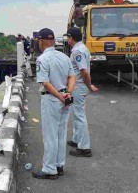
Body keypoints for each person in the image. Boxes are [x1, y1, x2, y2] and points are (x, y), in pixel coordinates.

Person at [32, 28, 76, 180]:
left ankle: (49, 169)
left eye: (38, 41)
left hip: (52, 99)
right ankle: (59, 165)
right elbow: (72, 77)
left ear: (42, 41)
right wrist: (68, 93)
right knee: (61, 133)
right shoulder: (64, 57)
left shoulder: (42, 59)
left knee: (50, 135)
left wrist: (59, 96)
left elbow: (45, 82)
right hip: (65, 96)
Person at [64, 27, 98, 157]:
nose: (67, 40)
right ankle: (77, 140)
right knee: (77, 114)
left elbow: (84, 71)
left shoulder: (77, 51)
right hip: (79, 85)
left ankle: (84, 148)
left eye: (68, 37)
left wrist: (89, 85)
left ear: (71, 38)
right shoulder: (82, 48)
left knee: (79, 116)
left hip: (78, 86)